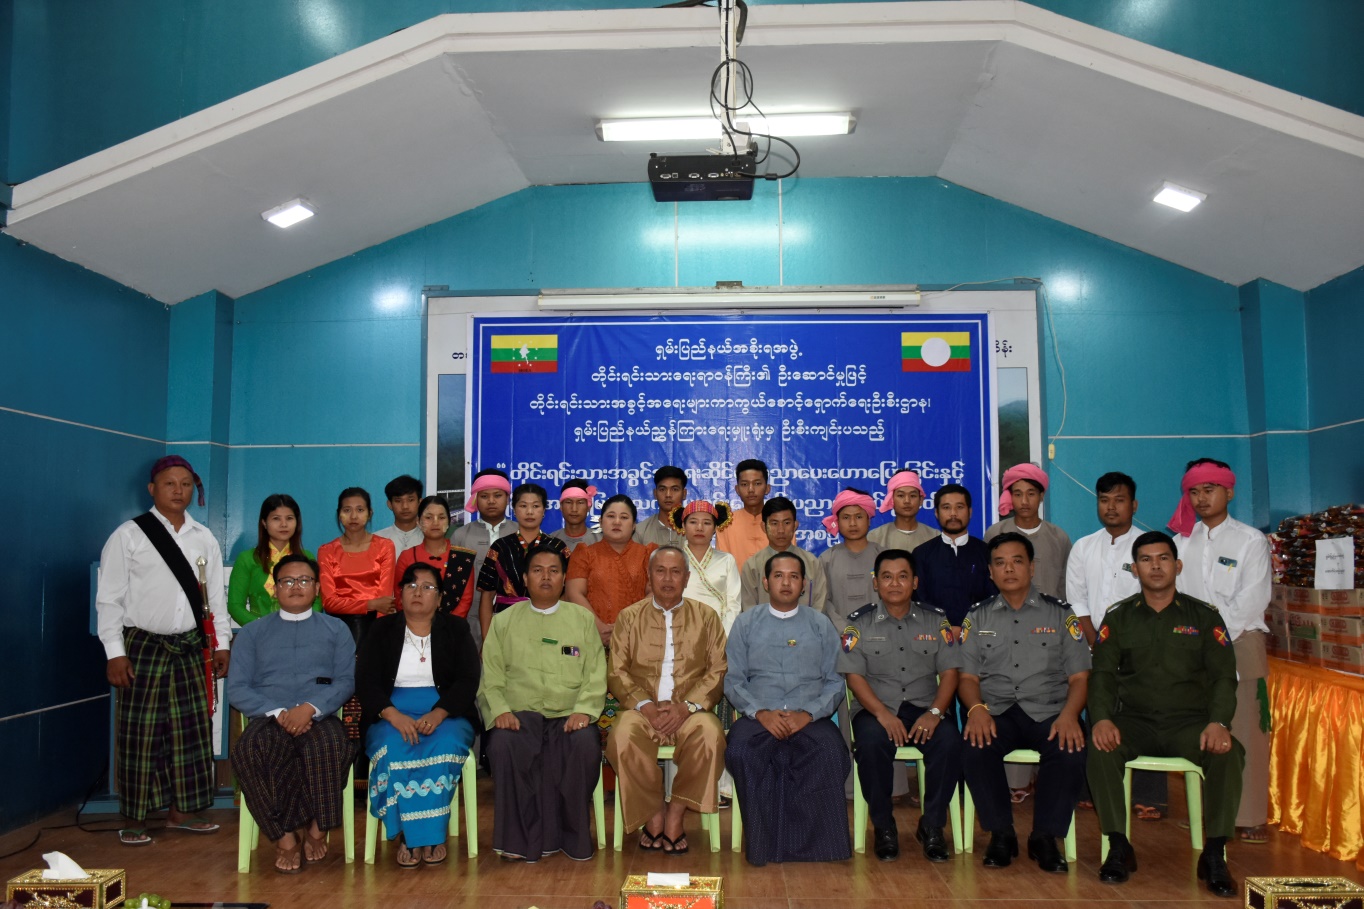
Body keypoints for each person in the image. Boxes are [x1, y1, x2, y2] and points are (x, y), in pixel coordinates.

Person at [1089, 532, 1242, 897]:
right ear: (1135, 569)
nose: (1155, 566)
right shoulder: (1119, 617)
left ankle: (1215, 852)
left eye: (1163, 558)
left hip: (1189, 723)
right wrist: (1102, 719)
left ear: (1178, 565)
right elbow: (1103, 675)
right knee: (1099, 748)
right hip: (1135, 721)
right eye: (1146, 559)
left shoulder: (1204, 617)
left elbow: (1223, 676)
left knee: (1229, 752)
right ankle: (1118, 845)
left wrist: (1219, 723)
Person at [95, 455, 232, 846]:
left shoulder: (204, 537)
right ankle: (134, 817)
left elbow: (215, 599)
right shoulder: (129, 535)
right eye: (170, 483)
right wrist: (114, 652)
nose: (178, 491)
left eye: (186, 484)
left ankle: (182, 812)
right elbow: (109, 599)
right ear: (152, 488)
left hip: (190, 646)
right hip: (143, 646)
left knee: (192, 732)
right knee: (140, 733)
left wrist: (221, 644)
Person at [958, 532, 1089, 873]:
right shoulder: (978, 617)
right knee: (975, 747)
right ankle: (1001, 834)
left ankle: (1045, 837)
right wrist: (976, 710)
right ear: (990, 572)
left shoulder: (1060, 614)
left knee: (1069, 749)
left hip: (1050, 712)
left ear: (1032, 567)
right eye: (1000, 563)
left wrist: (1070, 715)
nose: (1009, 569)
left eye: (1017, 561)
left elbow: (1079, 678)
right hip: (997, 711)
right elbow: (967, 679)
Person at [478, 546, 607, 862]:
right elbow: (491, 676)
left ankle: (571, 838)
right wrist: (501, 711)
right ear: (524, 578)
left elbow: (596, 673)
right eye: (537, 570)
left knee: (585, 744)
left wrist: (584, 710)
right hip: (519, 715)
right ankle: (517, 842)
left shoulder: (581, 619)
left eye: (553, 570)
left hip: (569, 715)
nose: (546, 577)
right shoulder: (503, 622)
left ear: (564, 579)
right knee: (502, 744)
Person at [228, 554, 355, 873]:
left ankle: (317, 829)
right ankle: (284, 837)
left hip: (320, 716)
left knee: (331, 744)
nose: (296, 587)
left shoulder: (336, 629)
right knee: (248, 751)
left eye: (304, 580)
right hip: (269, 717)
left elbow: (345, 682)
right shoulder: (252, 633)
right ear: (274, 588)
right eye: (287, 581)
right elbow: (238, 689)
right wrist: (280, 713)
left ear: (317, 588)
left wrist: (310, 709)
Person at [725, 551, 851, 866]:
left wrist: (809, 714)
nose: (786, 582)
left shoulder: (820, 624)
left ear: (804, 584)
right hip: (759, 716)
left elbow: (835, 682)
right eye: (778, 576)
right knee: (740, 751)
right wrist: (760, 713)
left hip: (809, 716)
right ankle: (762, 846)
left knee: (831, 752)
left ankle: (816, 847)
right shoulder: (746, 623)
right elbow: (734, 681)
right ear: (766, 582)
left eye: (794, 576)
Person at [1170, 458, 1272, 846]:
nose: (1201, 498)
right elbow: (1175, 597)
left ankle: (1249, 817)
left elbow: (1253, 599)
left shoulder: (1250, 540)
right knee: (1202, 731)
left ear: (1229, 492)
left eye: (1209, 490)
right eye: (1194, 491)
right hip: (1192, 647)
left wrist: (1211, 634)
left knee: (1244, 731)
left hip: (1240, 644)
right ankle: (1209, 812)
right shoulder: (1181, 542)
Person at [840, 549, 962, 863]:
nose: (895, 584)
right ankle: (884, 826)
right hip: (876, 708)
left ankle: (932, 825)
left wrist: (935, 713)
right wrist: (882, 714)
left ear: (915, 582)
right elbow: (854, 677)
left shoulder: (936, 621)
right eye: (887, 577)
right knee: (870, 743)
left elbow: (950, 673)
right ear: (876, 583)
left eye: (903, 576)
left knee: (949, 741)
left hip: (925, 707)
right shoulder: (859, 623)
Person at [356, 562, 481, 868]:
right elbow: (365, 680)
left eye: (427, 587)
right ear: (400, 594)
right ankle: (409, 836)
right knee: (394, 747)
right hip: (391, 710)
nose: (417, 592)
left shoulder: (456, 629)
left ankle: (432, 835)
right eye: (411, 586)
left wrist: (439, 713)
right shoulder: (381, 629)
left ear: (439, 599)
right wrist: (391, 714)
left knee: (443, 745)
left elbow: (468, 679)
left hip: (447, 710)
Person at [605, 546, 728, 853]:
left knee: (710, 735)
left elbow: (718, 669)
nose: (668, 579)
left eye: (676, 572)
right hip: (641, 711)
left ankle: (676, 812)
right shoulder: (629, 617)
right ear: (649, 576)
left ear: (687, 578)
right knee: (621, 736)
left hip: (690, 712)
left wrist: (687, 707)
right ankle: (654, 812)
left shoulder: (707, 617)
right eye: (660, 571)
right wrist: (644, 705)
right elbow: (616, 670)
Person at [1064, 472, 1158, 818]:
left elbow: (1154, 597)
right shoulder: (1084, 547)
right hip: (1093, 645)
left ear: (1134, 505)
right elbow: (1077, 600)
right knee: (1097, 712)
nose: (1111, 507)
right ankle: (1094, 788)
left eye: (1119, 500)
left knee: (1145, 713)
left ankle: (1148, 794)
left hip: (1141, 648)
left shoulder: (1149, 547)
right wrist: (1097, 643)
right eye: (1104, 500)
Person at [565, 494, 658, 756]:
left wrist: (621, 627)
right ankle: (591, 769)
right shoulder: (585, 553)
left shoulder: (648, 554)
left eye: (624, 517)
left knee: (632, 712)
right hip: (591, 642)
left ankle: (632, 764)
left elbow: (653, 593)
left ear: (634, 525)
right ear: (601, 521)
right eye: (611, 516)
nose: (617, 522)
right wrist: (598, 626)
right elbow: (574, 592)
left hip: (636, 645)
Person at [477, 482, 569, 641]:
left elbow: (567, 592)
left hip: (549, 622)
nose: (529, 512)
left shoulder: (558, 547)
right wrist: (487, 640)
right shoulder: (500, 547)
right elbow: (487, 595)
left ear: (544, 511)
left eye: (536, 506)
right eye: (523, 506)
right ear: (514, 510)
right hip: (506, 623)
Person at [318, 487, 397, 647]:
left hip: (376, 626)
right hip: (338, 627)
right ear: (339, 514)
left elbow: (385, 601)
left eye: (360, 510)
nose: (353, 516)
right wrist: (370, 604)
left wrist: (380, 635)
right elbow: (329, 602)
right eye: (347, 510)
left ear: (370, 513)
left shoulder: (385, 546)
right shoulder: (327, 551)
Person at [913, 483, 997, 631]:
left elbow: (993, 598)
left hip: (979, 634)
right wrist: (945, 629)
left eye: (959, 507)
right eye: (946, 507)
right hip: (934, 634)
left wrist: (968, 629)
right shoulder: (922, 554)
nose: (953, 513)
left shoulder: (986, 552)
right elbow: (919, 600)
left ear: (970, 512)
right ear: (936, 513)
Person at [448, 468, 517, 648]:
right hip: (470, 619)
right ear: (475, 499)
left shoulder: (520, 533)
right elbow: (454, 585)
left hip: (516, 618)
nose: (491, 501)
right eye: (484, 496)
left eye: (497, 495)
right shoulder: (461, 536)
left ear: (507, 498)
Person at [228, 493, 320, 625]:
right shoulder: (247, 559)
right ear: (264, 523)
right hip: (261, 632)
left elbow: (317, 602)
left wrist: (301, 625)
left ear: (297, 522)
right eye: (276, 519)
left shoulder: (307, 557)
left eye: (289, 518)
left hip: (303, 630)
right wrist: (262, 628)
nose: (284, 524)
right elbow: (235, 606)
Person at [984, 464, 1072, 601]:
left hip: (1050, 613)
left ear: (1041, 496)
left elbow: (1066, 586)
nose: (1024, 501)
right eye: (1018, 494)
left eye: (1031, 494)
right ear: (1010, 496)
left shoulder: (1059, 538)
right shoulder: (995, 533)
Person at [392, 495, 479, 619]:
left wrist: (444, 626)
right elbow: (400, 597)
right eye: (428, 517)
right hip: (413, 624)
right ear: (418, 521)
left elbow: (465, 600)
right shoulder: (407, 557)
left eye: (441, 517)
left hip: (453, 626)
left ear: (449, 522)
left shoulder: (462, 558)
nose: (435, 522)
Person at [739, 496, 827, 611]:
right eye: (774, 523)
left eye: (786, 523)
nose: (781, 530)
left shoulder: (812, 563)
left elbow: (820, 605)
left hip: (807, 623)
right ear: (764, 527)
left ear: (795, 525)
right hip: (764, 623)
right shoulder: (752, 566)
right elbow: (748, 609)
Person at [673, 500, 741, 633]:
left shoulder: (727, 560)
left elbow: (734, 605)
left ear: (715, 528)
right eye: (693, 522)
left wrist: (721, 637)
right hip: (679, 632)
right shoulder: (673, 560)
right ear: (683, 525)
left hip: (719, 632)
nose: (699, 528)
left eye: (707, 523)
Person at [817, 487, 882, 628]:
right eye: (846, 517)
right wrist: (844, 629)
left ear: (869, 520)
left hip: (880, 633)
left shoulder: (883, 557)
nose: (852, 523)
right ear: (838, 521)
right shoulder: (827, 559)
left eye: (859, 517)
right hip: (839, 634)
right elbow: (822, 601)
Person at [716, 458, 771, 571]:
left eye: (757, 483)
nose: (751, 489)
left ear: (767, 488)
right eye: (744, 484)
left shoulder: (780, 523)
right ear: (737, 489)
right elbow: (722, 566)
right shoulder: (726, 523)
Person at [868, 470, 937, 552]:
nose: (907, 501)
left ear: (921, 500)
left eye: (912, 496)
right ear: (891, 499)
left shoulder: (935, 537)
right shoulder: (875, 537)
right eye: (901, 495)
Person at [634, 465, 687, 547]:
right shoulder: (640, 531)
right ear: (655, 494)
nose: (668, 495)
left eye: (675, 489)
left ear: (684, 494)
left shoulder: (696, 529)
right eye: (662, 489)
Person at [374, 474, 424, 555]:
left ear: (420, 502)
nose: (405, 506)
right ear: (390, 504)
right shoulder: (376, 540)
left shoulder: (429, 539)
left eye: (411, 500)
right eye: (398, 501)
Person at [550, 479, 601, 553]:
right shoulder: (551, 542)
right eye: (568, 502)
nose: (574, 509)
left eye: (580, 502)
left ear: (588, 507)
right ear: (561, 506)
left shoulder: (601, 540)